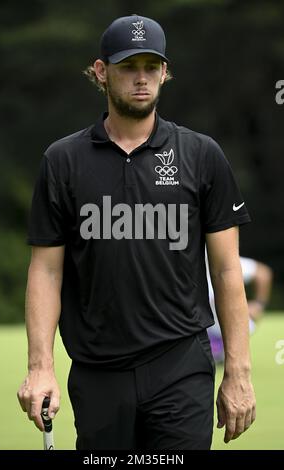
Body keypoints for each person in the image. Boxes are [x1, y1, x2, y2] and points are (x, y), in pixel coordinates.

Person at [17, 14, 256, 450]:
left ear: (165, 72)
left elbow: (225, 273)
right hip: (97, 372)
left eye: (151, 67)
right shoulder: (63, 161)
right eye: (128, 67)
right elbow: (46, 272)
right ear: (101, 72)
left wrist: (238, 372)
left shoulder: (202, 155)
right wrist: (40, 366)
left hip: (180, 366)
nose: (141, 79)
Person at [207, 256, 273, 363]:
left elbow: (263, 274)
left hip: (228, 329)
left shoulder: (227, 263)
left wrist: (259, 304)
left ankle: (220, 346)